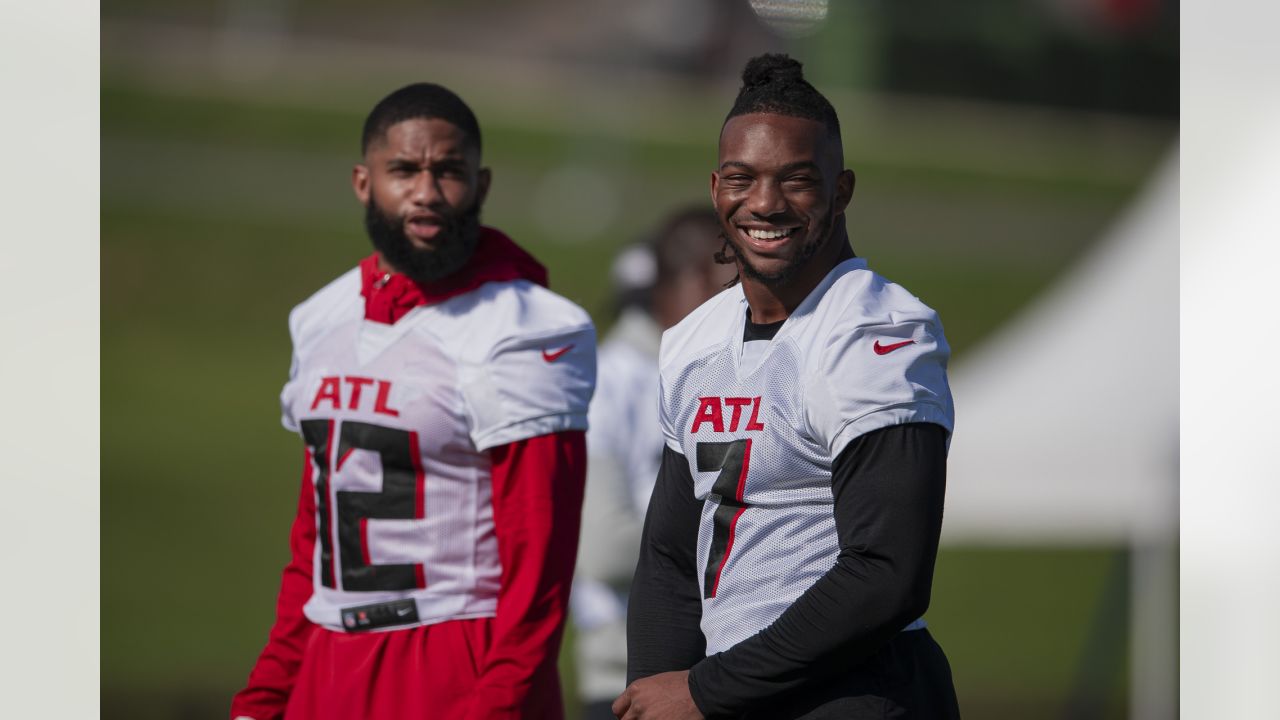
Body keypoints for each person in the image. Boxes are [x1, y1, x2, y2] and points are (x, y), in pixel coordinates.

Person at [230, 82, 596, 720]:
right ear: (363, 182)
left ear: (480, 186)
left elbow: (540, 566)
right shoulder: (321, 317)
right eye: (404, 170)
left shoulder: (522, 326)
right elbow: (313, 542)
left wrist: (497, 704)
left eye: (447, 171)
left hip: (455, 657)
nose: (426, 192)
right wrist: (268, 692)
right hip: (327, 658)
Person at [615, 54, 961, 719]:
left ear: (842, 190)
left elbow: (887, 574)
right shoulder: (694, 339)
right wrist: (660, 691)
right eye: (742, 179)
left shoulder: (875, 332)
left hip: (854, 693)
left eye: (796, 180)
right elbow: (669, 555)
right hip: (740, 691)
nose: (765, 203)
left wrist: (704, 691)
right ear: (716, 188)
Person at [571, 209, 736, 720]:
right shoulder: (611, 380)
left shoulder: (737, 367)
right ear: (693, 279)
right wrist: (751, 544)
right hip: (626, 670)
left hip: (726, 668)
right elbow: (601, 548)